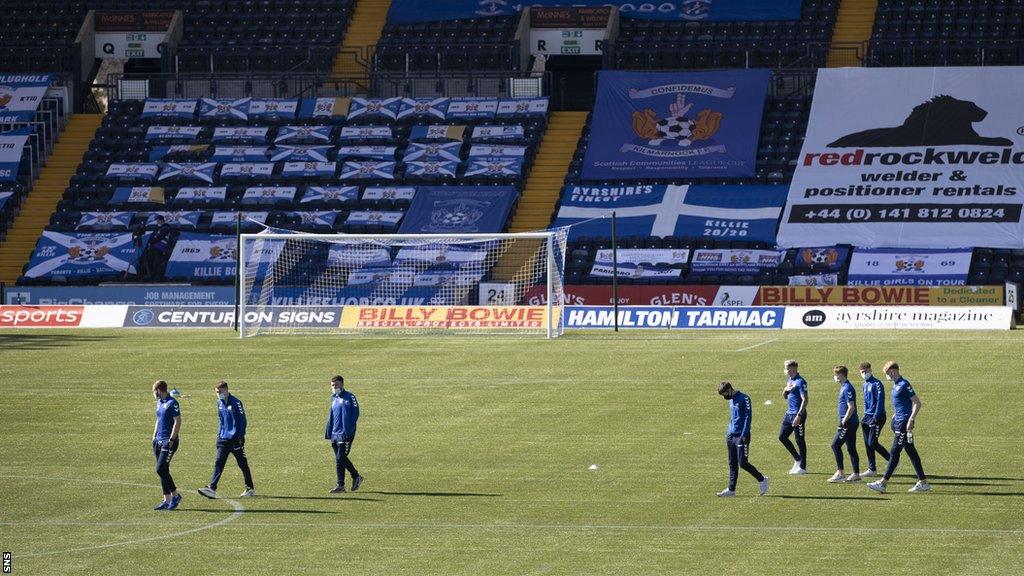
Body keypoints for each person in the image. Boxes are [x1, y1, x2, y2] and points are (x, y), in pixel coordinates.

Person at [867, 362, 931, 494]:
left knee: (894, 452)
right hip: (898, 422)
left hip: (903, 424)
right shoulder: (896, 385)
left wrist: (911, 419)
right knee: (911, 452)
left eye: (887, 373)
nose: (887, 376)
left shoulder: (904, 384)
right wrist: (895, 414)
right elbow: (902, 403)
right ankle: (923, 482)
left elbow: (917, 403)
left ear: (893, 371)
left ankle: (883, 483)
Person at [198, 381, 255, 499]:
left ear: (226, 390)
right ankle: (212, 488)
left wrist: (240, 436)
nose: (218, 394)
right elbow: (221, 420)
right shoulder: (219, 402)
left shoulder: (236, 403)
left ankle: (249, 488)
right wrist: (219, 435)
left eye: (220, 392)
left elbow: (242, 421)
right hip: (223, 440)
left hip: (235, 440)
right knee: (218, 463)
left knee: (242, 464)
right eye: (216, 392)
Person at [717, 382, 768, 497]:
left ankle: (762, 479)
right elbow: (733, 417)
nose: (725, 397)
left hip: (741, 436)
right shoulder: (731, 400)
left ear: (730, 389)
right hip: (731, 436)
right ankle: (731, 490)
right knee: (732, 464)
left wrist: (744, 434)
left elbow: (747, 417)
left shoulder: (744, 398)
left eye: (725, 394)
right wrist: (729, 431)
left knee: (743, 463)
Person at [325, 375, 363, 493]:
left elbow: (355, 413)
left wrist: (349, 429)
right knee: (338, 460)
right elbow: (331, 416)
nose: (334, 387)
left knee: (341, 457)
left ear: (342, 384)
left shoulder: (350, 397)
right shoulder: (334, 398)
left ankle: (356, 476)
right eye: (332, 385)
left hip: (346, 433)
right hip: (335, 434)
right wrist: (328, 431)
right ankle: (340, 485)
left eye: (336, 385)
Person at [152, 380, 182, 510]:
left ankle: (175, 495)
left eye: (154, 391)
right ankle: (166, 500)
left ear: (159, 390)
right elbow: (158, 419)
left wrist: (171, 439)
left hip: (168, 441)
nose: (154, 394)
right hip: (157, 441)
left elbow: (177, 421)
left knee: (160, 469)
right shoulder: (159, 403)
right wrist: (154, 436)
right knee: (163, 470)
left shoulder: (172, 403)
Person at [828, 366, 861, 483]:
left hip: (848, 423)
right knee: (851, 448)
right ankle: (856, 474)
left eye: (836, 375)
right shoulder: (844, 387)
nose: (835, 377)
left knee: (835, 445)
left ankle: (840, 472)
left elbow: (851, 407)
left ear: (841, 375)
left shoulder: (847, 388)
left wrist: (843, 422)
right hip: (850, 422)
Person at [859, 362, 890, 476]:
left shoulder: (877, 383)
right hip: (867, 416)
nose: (864, 374)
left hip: (877, 416)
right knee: (867, 444)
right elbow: (865, 401)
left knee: (872, 443)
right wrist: (865, 415)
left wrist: (876, 416)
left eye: (866, 371)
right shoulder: (864, 384)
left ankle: (892, 460)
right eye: (862, 372)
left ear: (870, 370)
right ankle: (872, 469)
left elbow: (880, 401)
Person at [779, 359, 808, 474]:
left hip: (798, 414)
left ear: (793, 369)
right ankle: (797, 459)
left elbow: (805, 400)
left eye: (786, 368)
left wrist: (799, 415)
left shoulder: (801, 382)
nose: (785, 370)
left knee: (799, 440)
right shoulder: (790, 379)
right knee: (782, 437)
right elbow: (786, 396)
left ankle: (803, 467)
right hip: (789, 413)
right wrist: (785, 390)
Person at [143, 215, 176, 280]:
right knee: (150, 261)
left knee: (157, 262)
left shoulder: (166, 228)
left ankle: (158, 276)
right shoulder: (158, 228)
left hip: (160, 247)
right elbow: (153, 236)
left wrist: (150, 241)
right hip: (154, 246)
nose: (157, 222)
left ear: (161, 220)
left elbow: (159, 237)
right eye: (156, 220)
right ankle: (151, 276)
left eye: (158, 220)